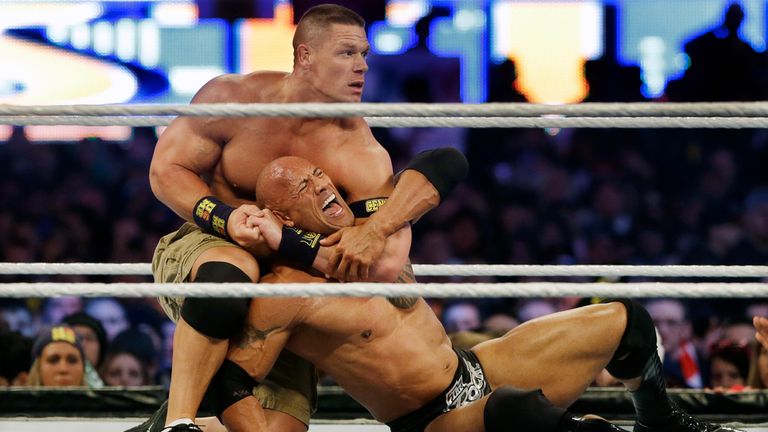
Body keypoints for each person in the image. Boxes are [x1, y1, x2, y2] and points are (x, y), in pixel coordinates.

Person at [213, 156, 742, 432]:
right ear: (281, 219)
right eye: (304, 188)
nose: (323, 185)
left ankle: (662, 422)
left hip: (474, 368)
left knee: (625, 318)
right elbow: (231, 381)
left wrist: (378, 226)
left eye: (319, 174)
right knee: (521, 414)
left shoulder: (373, 228)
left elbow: (444, 164)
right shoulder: (287, 291)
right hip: (431, 421)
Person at [145, 4, 467, 431]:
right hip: (211, 242)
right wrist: (225, 218)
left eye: (365, 55)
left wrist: (288, 242)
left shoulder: (360, 151)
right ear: (305, 56)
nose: (362, 67)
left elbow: (384, 264)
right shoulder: (233, 99)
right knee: (230, 273)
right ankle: (178, 422)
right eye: (347, 53)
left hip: (295, 280)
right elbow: (165, 170)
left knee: (277, 426)